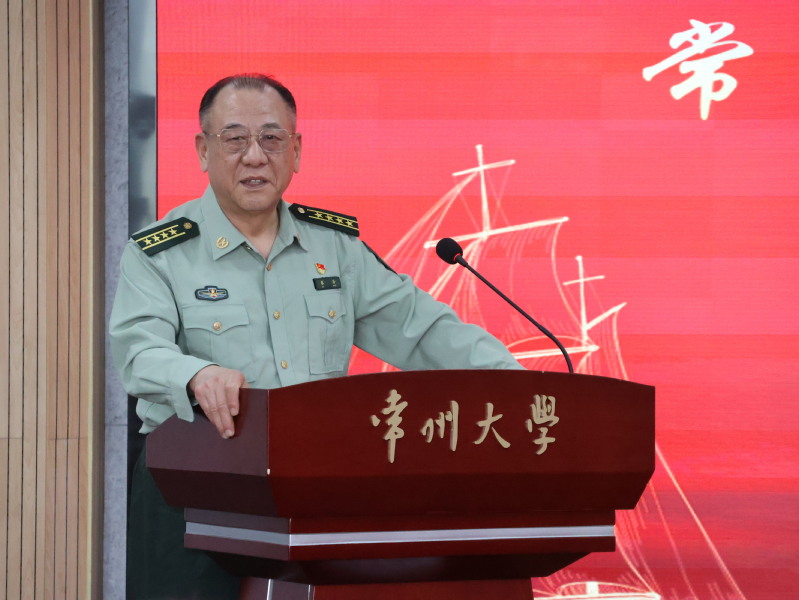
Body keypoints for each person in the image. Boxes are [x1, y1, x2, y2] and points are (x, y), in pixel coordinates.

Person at [110, 73, 523, 599]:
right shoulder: (160, 252)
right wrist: (196, 374)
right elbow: (138, 350)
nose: (255, 156)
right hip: (193, 486)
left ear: (297, 151)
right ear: (203, 150)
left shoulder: (335, 247)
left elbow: (421, 329)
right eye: (234, 139)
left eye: (272, 138)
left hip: (313, 487)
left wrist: (516, 383)